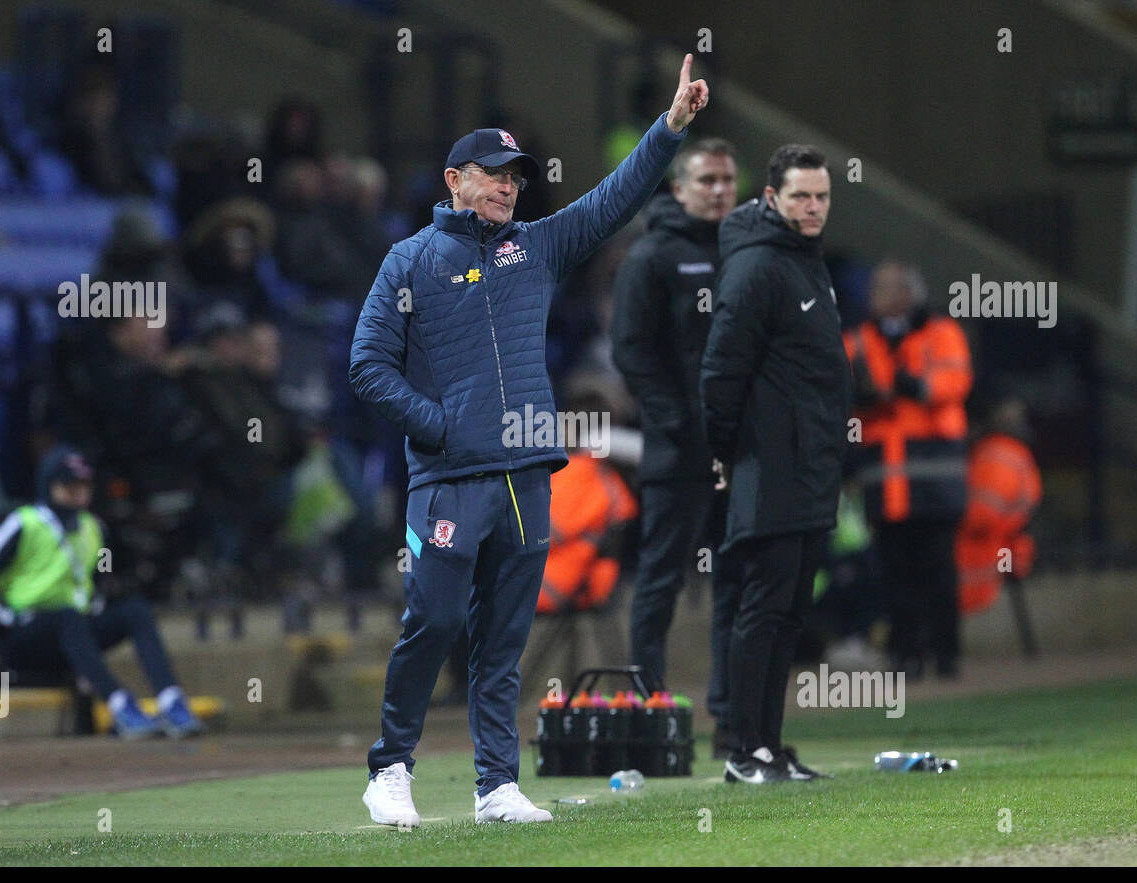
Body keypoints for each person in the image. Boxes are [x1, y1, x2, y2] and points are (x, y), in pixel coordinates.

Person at [350, 55, 708, 826]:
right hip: (449, 476)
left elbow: (615, 201)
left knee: (504, 640)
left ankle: (495, 786)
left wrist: (669, 127)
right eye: (493, 175)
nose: (509, 186)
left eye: (514, 176)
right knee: (435, 622)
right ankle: (390, 768)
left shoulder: (534, 249)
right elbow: (366, 366)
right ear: (454, 181)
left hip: (527, 473)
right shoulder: (409, 261)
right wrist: (440, 427)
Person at [700, 144, 850, 784]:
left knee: (789, 610)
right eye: (800, 198)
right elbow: (721, 369)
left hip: (809, 461)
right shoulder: (759, 267)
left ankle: (769, 746)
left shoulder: (802, 261)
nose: (813, 208)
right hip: (772, 463)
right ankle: (743, 750)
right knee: (762, 608)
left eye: (820, 197)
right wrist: (726, 451)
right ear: (771, 199)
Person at [609, 137, 742, 754]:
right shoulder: (652, 257)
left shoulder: (746, 250)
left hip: (741, 447)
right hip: (679, 449)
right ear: (680, 188)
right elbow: (631, 350)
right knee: (660, 580)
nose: (718, 190)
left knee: (738, 579)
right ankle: (647, 711)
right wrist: (675, 423)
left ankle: (733, 714)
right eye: (707, 180)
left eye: (726, 180)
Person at [0, 447, 203, 738]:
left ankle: (171, 700)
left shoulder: (92, 528)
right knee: (67, 618)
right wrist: (7, 617)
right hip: (24, 637)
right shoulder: (25, 523)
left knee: (134, 611)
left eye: (83, 486)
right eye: (69, 486)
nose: (78, 494)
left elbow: (93, 586)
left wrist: (94, 610)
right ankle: (120, 704)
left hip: (73, 634)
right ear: (50, 486)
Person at [843, 261, 973, 677]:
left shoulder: (942, 332)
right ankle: (906, 656)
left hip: (935, 480)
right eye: (881, 287)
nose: (888, 294)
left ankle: (946, 655)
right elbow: (841, 386)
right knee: (894, 574)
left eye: (897, 286)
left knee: (938, 570)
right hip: (885, 479)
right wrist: (860, 395)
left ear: (913, 292)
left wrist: (908, 386)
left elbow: (951, 384)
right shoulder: (858, 340)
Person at [956, 398, 1041, 615]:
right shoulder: (1017, 452)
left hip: (978, 556)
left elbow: (980, 516)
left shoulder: (996, 454)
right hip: (1002, 551)